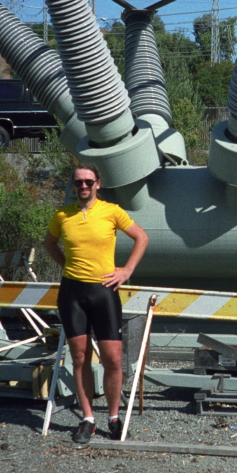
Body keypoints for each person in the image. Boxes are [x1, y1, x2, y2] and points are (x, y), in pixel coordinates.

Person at [42, 164, 149, 443]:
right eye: (79, 182)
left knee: (113, 359)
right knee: (80, 358)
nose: (84, 186)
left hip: (104, 291)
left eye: (89, 181)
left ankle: (113, 417)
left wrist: (126, 271)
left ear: (98, 184)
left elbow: (142, 237)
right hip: (72, 293)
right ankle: (88, 419)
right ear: (73, 186)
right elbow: (49, 243)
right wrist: (66, 266)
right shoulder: (62, 215)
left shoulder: (112, 211)